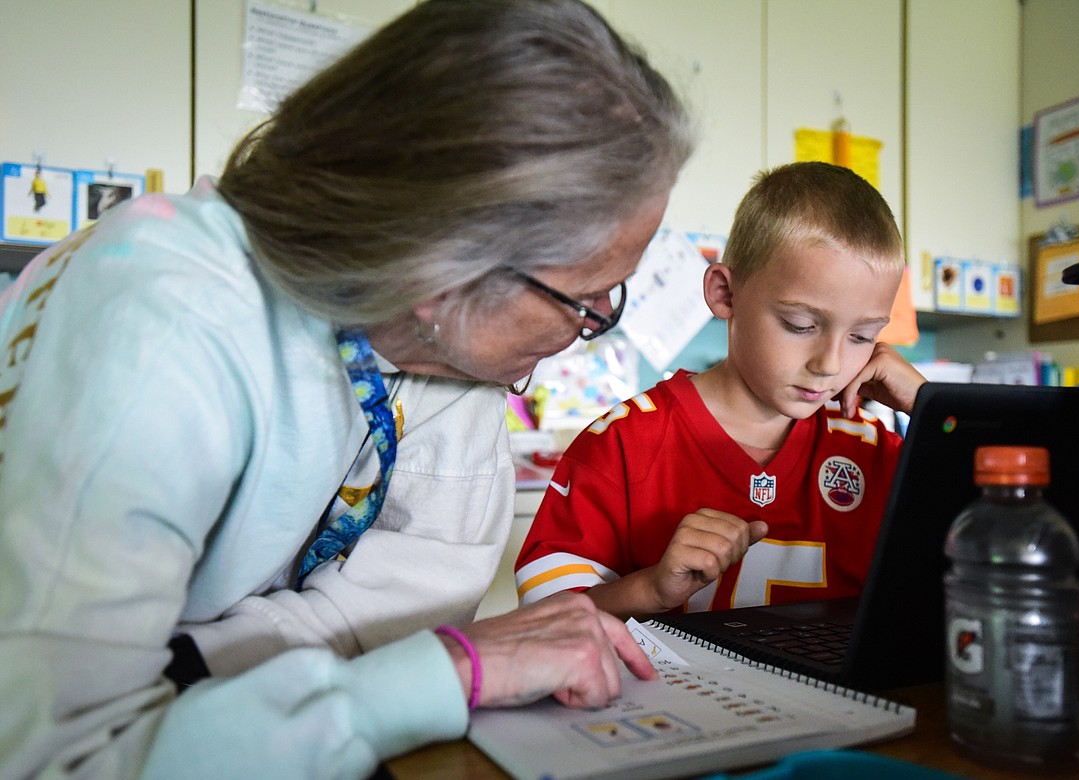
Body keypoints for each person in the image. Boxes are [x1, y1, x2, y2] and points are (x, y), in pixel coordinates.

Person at [0, 1, 693, 777]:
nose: (592, 325)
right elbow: (55, 757)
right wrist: (447, 672)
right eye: (588, 295)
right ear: (443, 270)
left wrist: (196, 673)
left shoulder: (444, 348)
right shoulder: (167, 317)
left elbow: (418, 601)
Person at [515, 162, 926, 620]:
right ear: (725, 294)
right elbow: (540, 625)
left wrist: (932, 407)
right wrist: (649, 589)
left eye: (862, 336)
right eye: (800, 325)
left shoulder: (874, 451)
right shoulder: (623, 445)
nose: (829, 364)